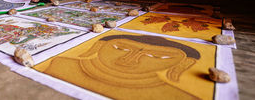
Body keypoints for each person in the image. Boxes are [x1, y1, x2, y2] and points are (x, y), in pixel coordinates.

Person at [42, 34, 202, 99]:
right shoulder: (61, 64)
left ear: (183, 64)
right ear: (98, 46)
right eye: (120, 48)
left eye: (157, 57)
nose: (130, 59)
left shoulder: (176, 96)